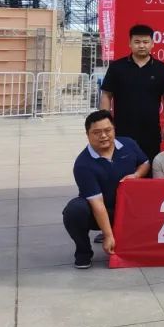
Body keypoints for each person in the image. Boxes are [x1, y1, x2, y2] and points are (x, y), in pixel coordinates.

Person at [62, 110, 149, 269]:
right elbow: (97, 204)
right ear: (87, 135)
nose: (103, 136)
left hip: (130, 210)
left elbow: (145, 163)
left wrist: (137, 175)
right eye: (97, 132)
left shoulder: (128, 144)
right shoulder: (83, 164)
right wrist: (108, 235)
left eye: (108, 130)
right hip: (103, 211)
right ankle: (83, 251)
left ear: (114, 129)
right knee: (74, 210)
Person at [98, 23, 164, 164]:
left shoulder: (161, 69)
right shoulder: (117, 67)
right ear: (130, 43)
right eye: (137, 42)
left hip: (151, 130)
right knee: (123, 167)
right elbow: (106, 95)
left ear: (152, 43)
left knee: (149, 166)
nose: (141, 46)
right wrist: (105, 123)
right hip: (121, 129)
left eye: (145, 42)